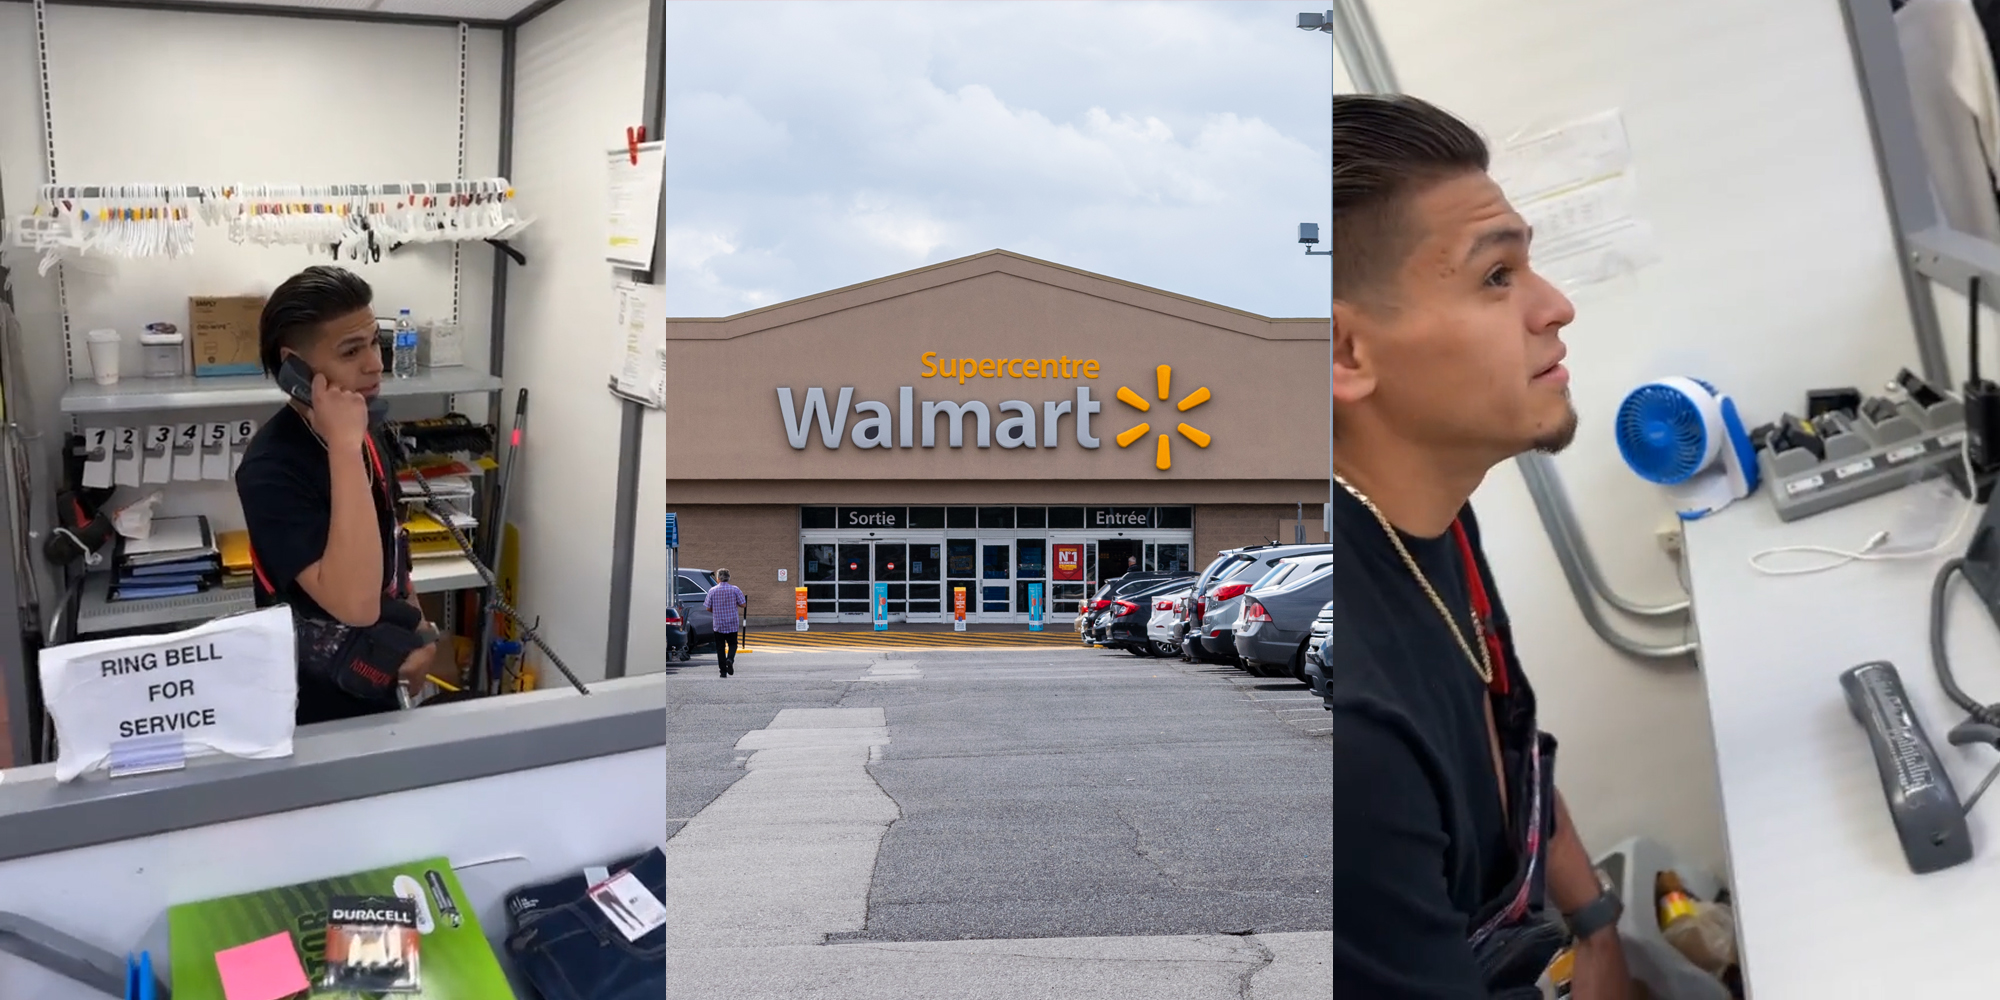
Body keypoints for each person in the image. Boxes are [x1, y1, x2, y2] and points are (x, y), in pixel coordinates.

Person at [1326, 95, 1630, 998]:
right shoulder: (1346, 734)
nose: (1556, 307)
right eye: (1497, 277)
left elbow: (1508, 737)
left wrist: (1599, 929)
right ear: (1344, 353)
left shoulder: (1432, 513)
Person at [235, 266, 440, 725]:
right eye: (351, 351)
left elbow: (392, 545)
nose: (375, 364)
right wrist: (344, 448)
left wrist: (421, 632)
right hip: (312, 709)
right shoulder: (271, 469)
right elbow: (355, 604)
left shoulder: (361, 429)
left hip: (381, 684)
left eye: (374, 343)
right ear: (295, 367)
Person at [704, 569, 747, 677]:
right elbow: (743, 604)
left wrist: (717, 610)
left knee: (720, 647)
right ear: (728, 578)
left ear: (718, 578)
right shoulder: (735, 589)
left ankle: (723, 672)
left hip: (718, 623)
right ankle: (730, 659)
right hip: (732, 622)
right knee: (733, 644)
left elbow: (708, 608)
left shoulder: (712, 591)